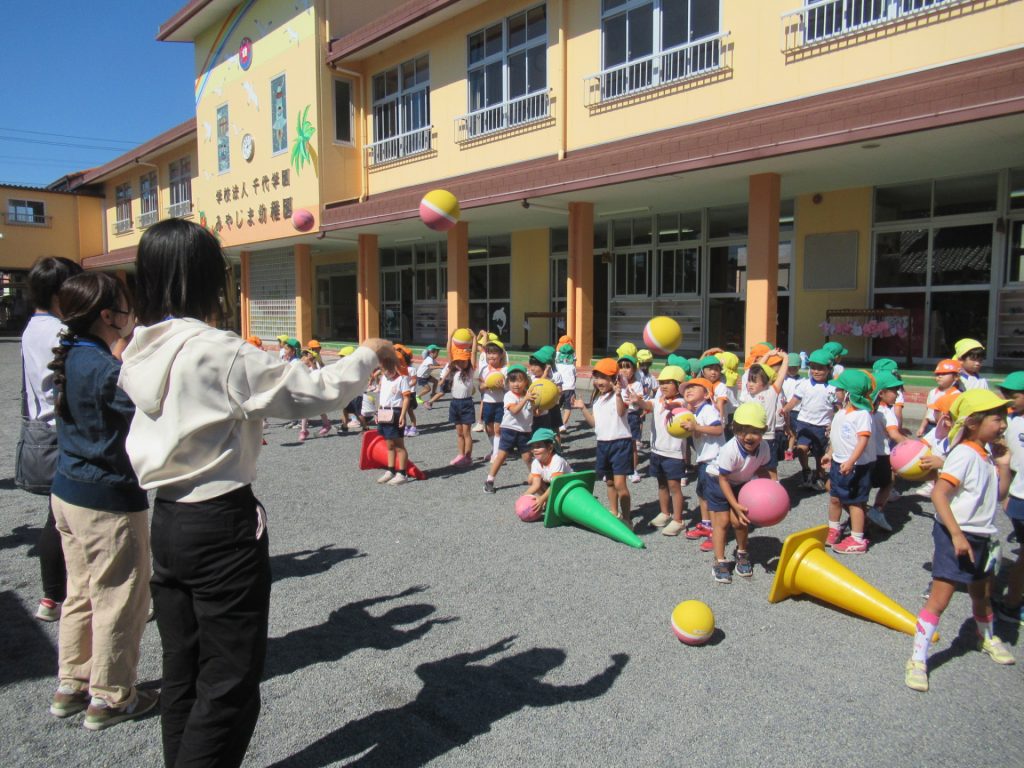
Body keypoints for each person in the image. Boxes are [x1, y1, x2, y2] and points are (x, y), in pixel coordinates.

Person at [117, 218, 395, 768]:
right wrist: (367, 351)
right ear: (208, 278)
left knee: (183, 671)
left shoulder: (140, 349)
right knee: (229, 680)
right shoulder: (218, 351)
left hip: (167, 519)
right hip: (220, 521)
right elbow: (314, 391)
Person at [46, 271, 159, 730]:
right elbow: (150, 414)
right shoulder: (107, 370)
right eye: (125, 307)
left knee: (81, 592)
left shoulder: (73, 354)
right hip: (106, 497)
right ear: (108, 316)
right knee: (120, 597)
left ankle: (72, 683)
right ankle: (112, 695)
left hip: (67, 491)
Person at [904, 390, 1015, 693]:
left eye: (1003, 418)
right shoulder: (964, 454)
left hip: (981, 536)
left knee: (982, 594)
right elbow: (940, 494)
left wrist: (1004, 465)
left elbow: (999, 495)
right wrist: (956, 535)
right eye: (996, 419)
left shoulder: (986, 455)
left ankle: (985, 636)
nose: (1003, 424)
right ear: (973, 423)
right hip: (957, 535)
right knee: (940, 600)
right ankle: (918, 659)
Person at [21, 255, 82, 621]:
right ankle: (67, 595)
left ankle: (51, 597)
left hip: (40, 429)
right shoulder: (63, 332)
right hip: (64, 432)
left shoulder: (31, 328)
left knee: (56, 516)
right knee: (70, 518)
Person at [705, 402, 773, 583]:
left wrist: (772, 490)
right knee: (722, 521)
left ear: (763, 432)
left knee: (740, 521)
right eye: (743, 431)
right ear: (735, 430)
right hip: (717, 481)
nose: (749, 436)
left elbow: (762, 469)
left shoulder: (764, 448)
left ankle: (742, 553)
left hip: (740, 481)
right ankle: (719, 561)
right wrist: (734, 504)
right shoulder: (730, 450)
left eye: (755, 432)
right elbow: (723, 479)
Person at [575, 358, 634, 529]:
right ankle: (614, 512)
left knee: (620, 484)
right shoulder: (598, 400)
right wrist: (583, 408)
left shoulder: (621, 394)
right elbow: (595, 424)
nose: (599, 382)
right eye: (597, 377)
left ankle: (627, 519)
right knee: (609, 482)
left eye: (604, 378)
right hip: (603, 444)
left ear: (614, 379)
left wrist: (618, 393)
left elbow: (621, 412)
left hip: (620, 443)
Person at [822, 370, 876, 554]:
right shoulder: (841, 412)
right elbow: (837, 437)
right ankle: (833, 528)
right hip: (839, 462)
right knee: (835, 497)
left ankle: (857, 538)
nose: (835, 391)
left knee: (855, 502)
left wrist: (852, 461)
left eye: (839, 389)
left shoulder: (862, 415)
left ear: (848, 393)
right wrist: (830, 453)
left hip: (856, 466)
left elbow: (862, 440)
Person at [636, 365, 688, 536]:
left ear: (679, 385)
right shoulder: (658, 400)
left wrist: (667, 403)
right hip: (657, 450)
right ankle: (665, 512)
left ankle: (678, 520)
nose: (663, 386)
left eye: (668, 383)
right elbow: (646, 404)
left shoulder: (681, 402)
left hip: (674, 453)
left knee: (674, 487)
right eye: (661, 383)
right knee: (662, 484)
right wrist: (637, 400)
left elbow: (675, 406)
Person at [994, 372, 1024, 625]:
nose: (1008, 401)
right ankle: (1012, 603)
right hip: (1019, 496)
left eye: (1013, 396)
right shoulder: (1008, 423)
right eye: (1005, 395)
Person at [782, 348, 836, 491]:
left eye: (820, 368)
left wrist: (834, 423)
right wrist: (785, 409)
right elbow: (795, 400)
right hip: (804, 422)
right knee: (801, 448)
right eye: (813, 367)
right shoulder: (804, 384)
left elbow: (837, 408)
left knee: (819, 454)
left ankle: (819, 475)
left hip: (822, 425)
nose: (816, 371)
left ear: (829, 369)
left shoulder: (833, 388)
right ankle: (806, 470)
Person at [683, 377, 725, 549]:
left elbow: (718, 429)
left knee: (713, 497)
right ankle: (707, 525)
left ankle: (717, 532)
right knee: (701, 493)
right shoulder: (694, 413)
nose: (688, 390)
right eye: (687, 388)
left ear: (706, 394)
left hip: (714, 461)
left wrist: (696, 428)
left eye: (694, 387)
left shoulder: (708, 409)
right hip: (704, 460)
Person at [866, 371, 906, 533]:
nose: (897, 394)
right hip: (881, 455)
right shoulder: (887, 412)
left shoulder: (867, 409)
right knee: (889, 481)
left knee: (865, 486)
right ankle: (877, 510)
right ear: (881, 393)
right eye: (894, 391)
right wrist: (912, 445)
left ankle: (859, 516)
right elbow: (894, 434)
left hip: (865, 456)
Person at [485, 364, 535, 494]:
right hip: (509, 430)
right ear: (508, 382)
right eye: (512, 381)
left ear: (526, 382)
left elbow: (535, 412)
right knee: (501, 456)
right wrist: (526, 399)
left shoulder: (529, 396)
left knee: (528, 457)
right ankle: (489, 480)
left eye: (520, 380)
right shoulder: (509, 395)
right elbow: (515, 410)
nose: (516, 384)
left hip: (525, 431)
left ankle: (537, 479)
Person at [744, 351, 789, 481]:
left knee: (770, 468)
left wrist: (785, 358)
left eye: (754, 381)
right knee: (752, 467)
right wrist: (767, 355)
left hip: (767, 437)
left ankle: (775, 487)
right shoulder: (747, 394)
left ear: (764, 383)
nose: (750, 384)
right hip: (750, 437)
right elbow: (753, 370)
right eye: (749, 381)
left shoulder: (771, 393)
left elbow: (781, 375)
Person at [376, 351, 415, 484]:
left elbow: (406, 398)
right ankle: (390, 470)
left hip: (396, 412)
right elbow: (382, 397)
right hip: (384, 412)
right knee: (389, 444)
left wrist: (403, 415)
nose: (385, 372)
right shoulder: (384, 379)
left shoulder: (402, 379)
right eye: (383, 369)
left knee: (399, 445)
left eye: (387, 369)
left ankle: (402, 473)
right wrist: (378, 412)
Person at [441, 345, 477, 467]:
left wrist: (473, 339)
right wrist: (450, 337)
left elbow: (473, 353)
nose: (461, 363)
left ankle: (468, 457)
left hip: (466, 403)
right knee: (459, 433)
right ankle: (460, 455)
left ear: (468, 361)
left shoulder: (470, 371)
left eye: (463, 361)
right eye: (458, 361)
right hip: (455, 403)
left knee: (467, 433)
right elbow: (449, 352)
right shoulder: (454, 371)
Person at [523, 428, 572, 516]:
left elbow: (556, 484)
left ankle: (550, 500)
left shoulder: (557, 461)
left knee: (551, 491)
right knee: (531, 478)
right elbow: (536, 485)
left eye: (538, 446)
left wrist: (541, 499)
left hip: (566, 486)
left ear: (550, 448)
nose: (534, 450)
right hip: (553, 484)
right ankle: (549, 500)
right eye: (533, 447)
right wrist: (523, 497)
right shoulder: (536, 462)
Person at [477, 339, 508, 461]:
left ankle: (496, 455)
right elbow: (480, 387)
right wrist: (484, 386)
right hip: (487, 403)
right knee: (488, 428)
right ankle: (494, 449)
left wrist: (503, 387)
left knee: (497, 429)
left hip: (501, 403)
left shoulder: (505, 370)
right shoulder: (484, 369)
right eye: (489, 353)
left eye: (494, 353)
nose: (491, 356)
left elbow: (509, 389)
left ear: (501, 355)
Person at [616, 354, 645, 483]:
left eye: (627, 367)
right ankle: (617, 469)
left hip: (632, 416)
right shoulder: (617, 384)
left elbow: (639, 400)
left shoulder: (637, 384)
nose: (624, 370)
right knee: (618, 444)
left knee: (632, 444)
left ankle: (633, 470)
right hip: (619, 416)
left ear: (634, 369)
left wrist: (632, 396)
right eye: (621, 367)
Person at [916, 359, 962, 437]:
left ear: (956, 377)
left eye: (944, 374)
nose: (940, 376)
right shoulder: (932, 392)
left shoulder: (957, 395)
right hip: (929, 426)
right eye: (938, 374)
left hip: (944, 428)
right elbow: (928, 412)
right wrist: (922, 427)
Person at [555, 341, 577, 432]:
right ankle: (563, 425)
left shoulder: (557, 365)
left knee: (557, 406)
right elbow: (575, 378)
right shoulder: (572, 367)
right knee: (568, 407)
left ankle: (556, 423)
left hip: (559, 388)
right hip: (570, 388)